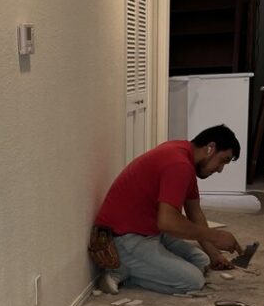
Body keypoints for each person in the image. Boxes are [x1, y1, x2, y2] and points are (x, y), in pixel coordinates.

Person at [93, 125, 243, 295]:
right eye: (223, 160)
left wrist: (215, 254)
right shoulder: (179, 164)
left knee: (202, 261)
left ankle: (139, 268)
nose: (220, 169)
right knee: (193, 281)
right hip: (124, 238)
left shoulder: (184, 157)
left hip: (149, 231)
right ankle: (122, 269)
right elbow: (167, 222)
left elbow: (195, 213)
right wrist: (215, 236)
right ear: (210, 148)